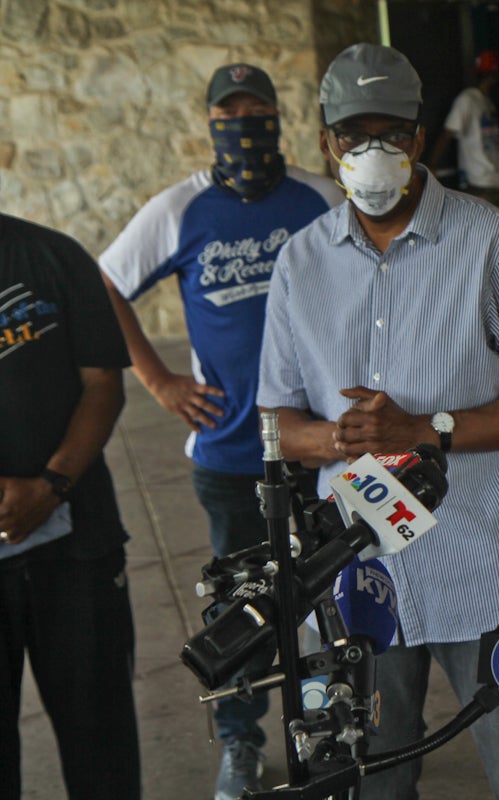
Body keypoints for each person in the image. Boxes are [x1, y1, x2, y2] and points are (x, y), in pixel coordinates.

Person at [256, 43, 499, 800]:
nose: (371, 153)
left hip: (484, 571)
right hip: (358, 577)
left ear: (422, 138)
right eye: (352, 134)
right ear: (326, 142)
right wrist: (343, 439)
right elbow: (275, 419)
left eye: (391, 134)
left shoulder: (494, 242)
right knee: (368, 777)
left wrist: (423, 431)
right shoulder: (300, 263)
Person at [96, 63, 344, 800]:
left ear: (278, 116)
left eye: (258, 109)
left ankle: (330, 732)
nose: (246, 124)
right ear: (210, 123)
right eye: (230, 112)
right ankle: (241, 743)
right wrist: (159, 379)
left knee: (331, 595)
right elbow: (103, 283)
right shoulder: (179, 210)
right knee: (241, 606)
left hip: (319, 445)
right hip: (231, 451)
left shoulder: (318, 198)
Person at [0, 213, 141, 799]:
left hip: (76, 544)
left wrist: (51, 484)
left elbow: (103, 381)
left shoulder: (52, 256)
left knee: (100, 743)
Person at [428, 49, 499, 211]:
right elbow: (447, 133)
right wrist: (432, 165)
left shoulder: (487, 103)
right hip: (480, 182)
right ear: (493, 77)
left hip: (498, 181)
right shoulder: (467, 100)